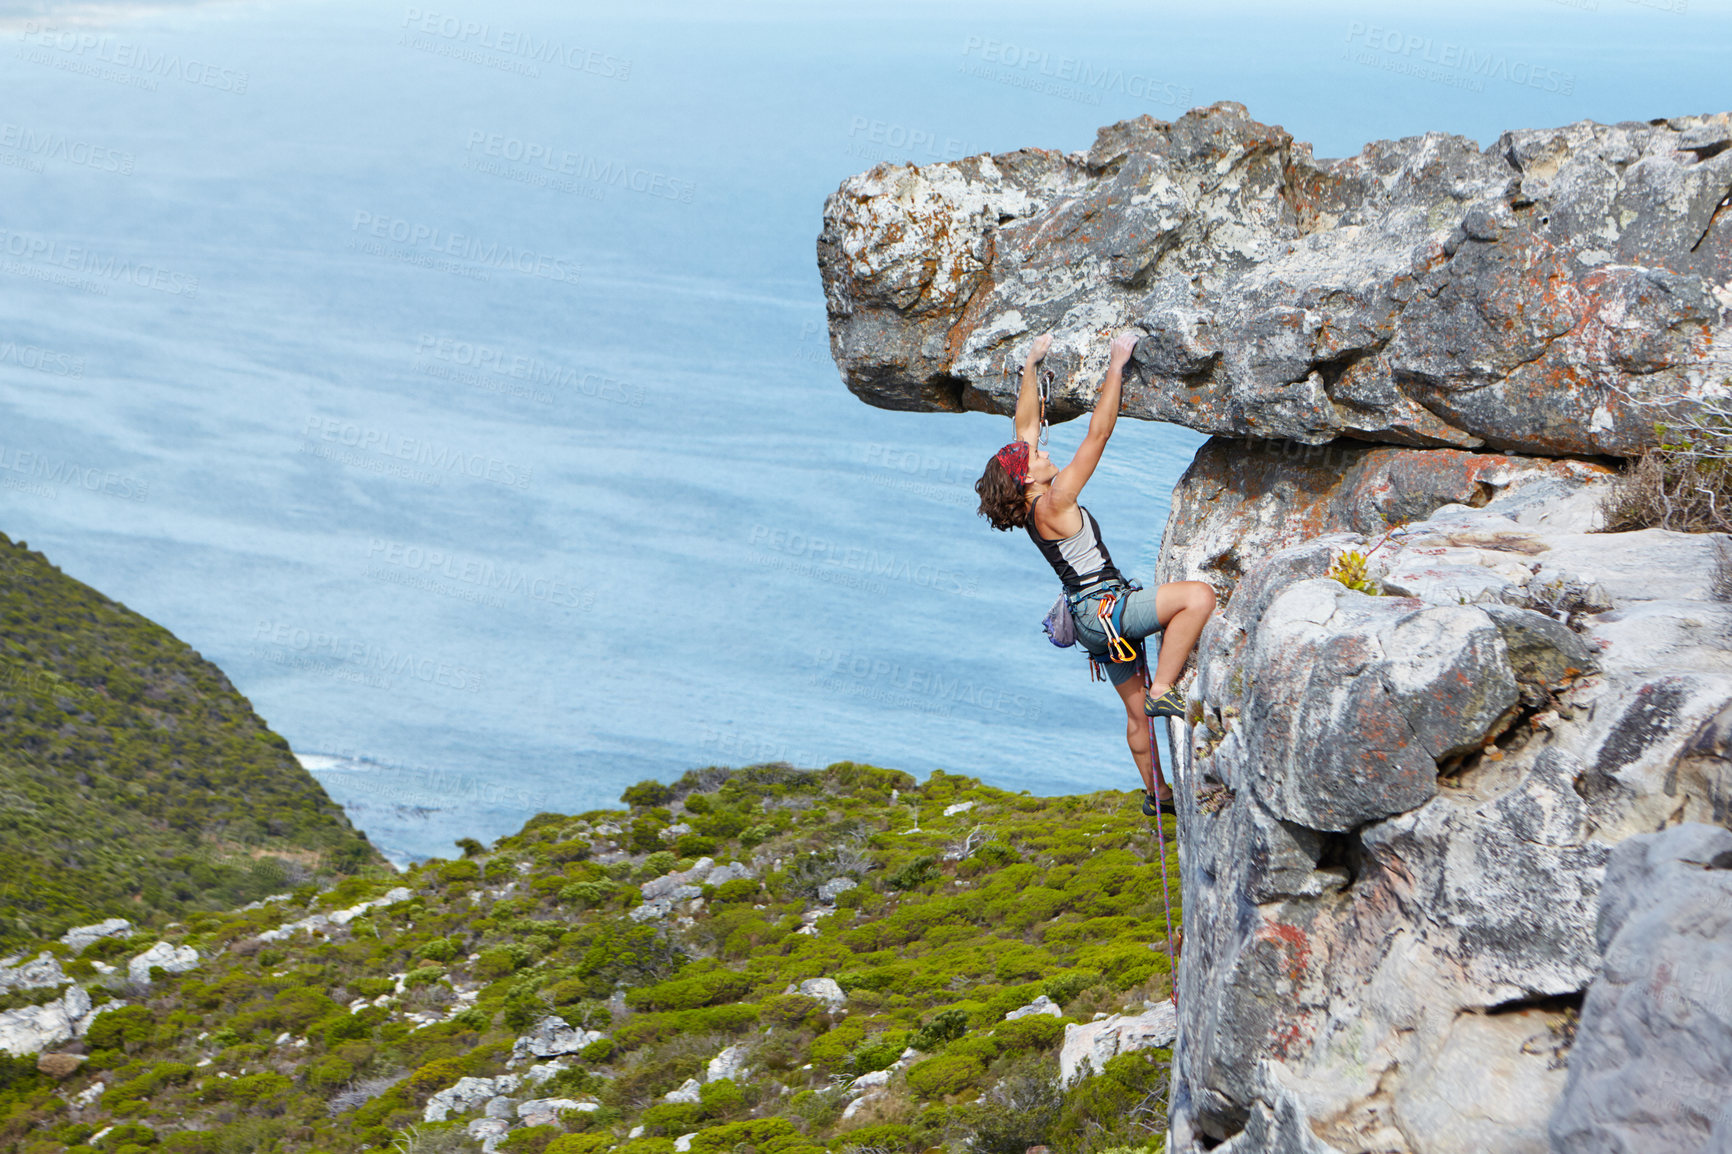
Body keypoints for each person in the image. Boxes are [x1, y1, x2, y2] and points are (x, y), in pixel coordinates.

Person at [973, 332, 1216, 817]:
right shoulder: (1057, 499)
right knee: (1199, 598)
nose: (1041, 452)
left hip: (1089, 622)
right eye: (1036, 458)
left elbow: (1024, 428)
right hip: (1111, 609)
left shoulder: (1029, 504)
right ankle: (1164, 689)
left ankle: (1157, 794)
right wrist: (1117, 364)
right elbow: (1098, 436)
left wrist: (1030, 364)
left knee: (1132, 713)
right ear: (1026, 477)